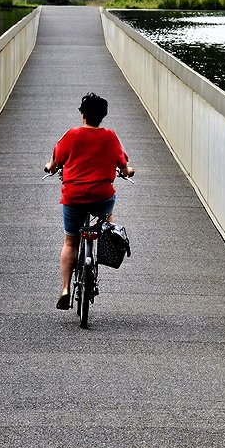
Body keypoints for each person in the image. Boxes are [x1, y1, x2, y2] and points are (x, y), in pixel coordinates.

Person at [44, 92, 135, 310]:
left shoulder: (71, 135)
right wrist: (128, 171)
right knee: (108, 211)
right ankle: (107, 232)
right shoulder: (110, 137)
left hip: (74, 197)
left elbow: (55, 162)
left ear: (83, 114)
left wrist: (50, 167)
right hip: (101, 196)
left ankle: (65, 288)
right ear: (102, 116)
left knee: (70, 242)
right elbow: (123, 166)